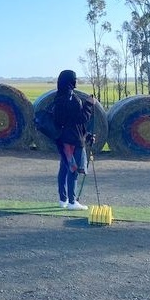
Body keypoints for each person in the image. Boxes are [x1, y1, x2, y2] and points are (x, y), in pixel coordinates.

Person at [52, 70, 94, 211]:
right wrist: (89, 104)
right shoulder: (73, 99)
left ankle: (63, 199)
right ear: (70, 81)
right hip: (73, 141)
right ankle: (72, 201)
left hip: (62, 139)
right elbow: (81, 119)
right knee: (73, 170)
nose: (76, 81)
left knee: (64, 168)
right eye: (74, 79)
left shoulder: (58, 97)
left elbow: (68, 121)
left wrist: (86, 135)